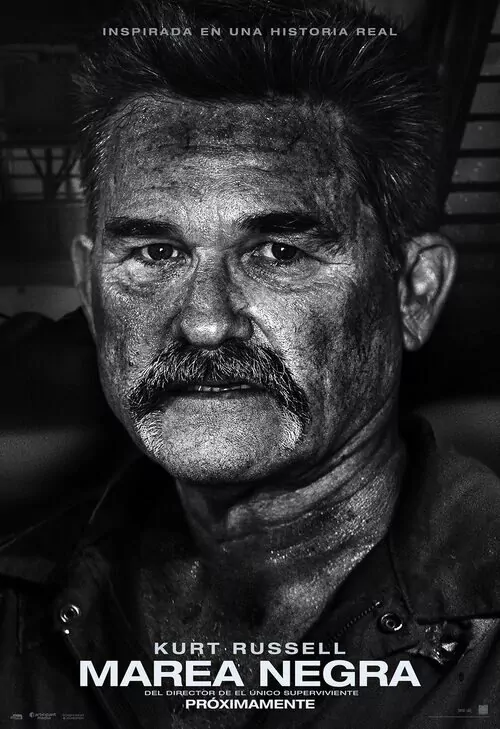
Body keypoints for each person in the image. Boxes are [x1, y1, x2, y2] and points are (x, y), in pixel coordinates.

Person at [1, 1, 500, 727]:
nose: (206, 323)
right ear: (89, 287)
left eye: (278, 253)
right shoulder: (21, 601)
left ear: (412, 292)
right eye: (156, 252)